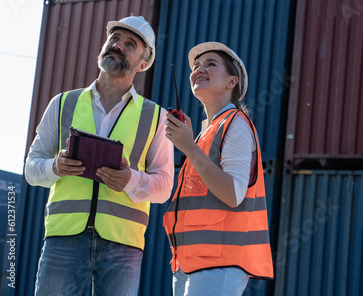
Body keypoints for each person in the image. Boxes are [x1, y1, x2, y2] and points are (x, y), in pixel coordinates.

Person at [24, 15, 175, 296]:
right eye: (114, 38)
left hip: (123, 246)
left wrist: (130, 179)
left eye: (130, 44)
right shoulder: (62, 103)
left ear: (143, 64)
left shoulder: (156, 117)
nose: (118, 45)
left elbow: (165, 186)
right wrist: (56, 166)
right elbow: (31, 169)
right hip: (63, 238)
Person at [163, 42, 274, 295]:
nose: (199, 69)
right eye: (196, 66)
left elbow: (234, 194)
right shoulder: (205, 133)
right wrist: (191, 144)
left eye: (211, 64)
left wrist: (189, 148)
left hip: (219, 263)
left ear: (231, 82)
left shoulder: (236, 124)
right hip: (191, 263)